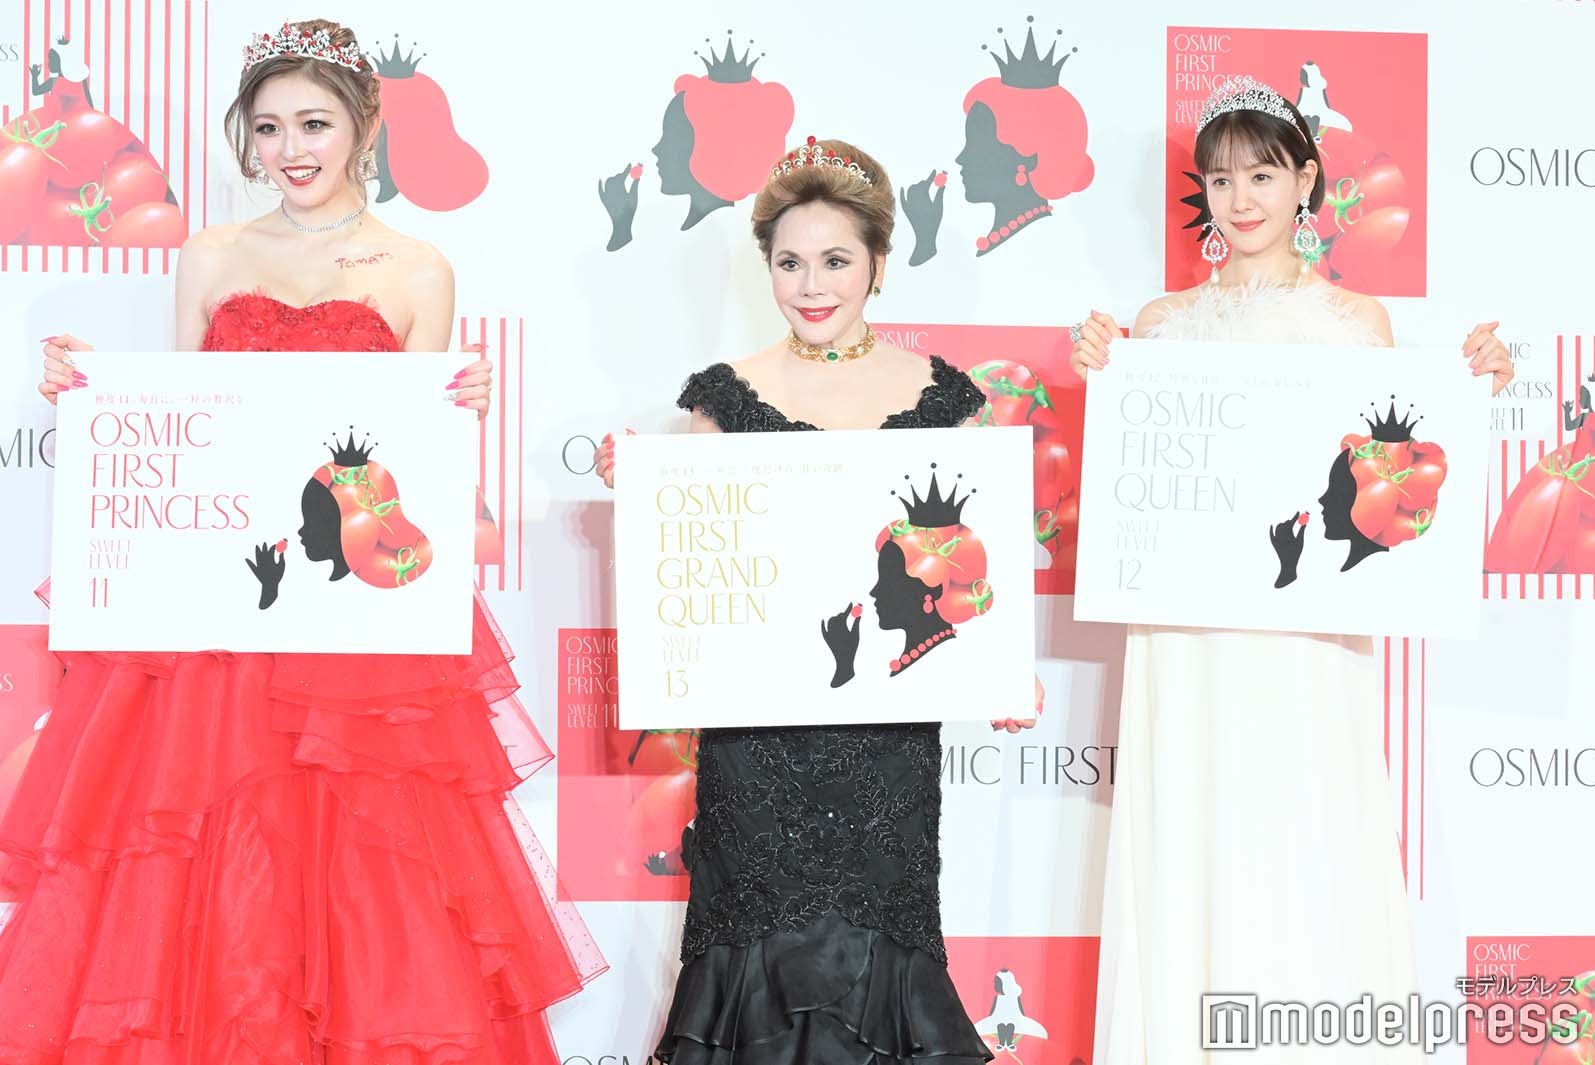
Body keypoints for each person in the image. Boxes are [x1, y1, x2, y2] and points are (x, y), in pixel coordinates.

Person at [4, 19, 603, 1064]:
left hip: (354, 623)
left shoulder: (418, 270)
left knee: (365, 869)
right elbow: (187, 425)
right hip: (220, 623)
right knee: (207, 857)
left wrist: (455, 417)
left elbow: (412, 476)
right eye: (270, 127)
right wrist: (92, 395)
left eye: (314, 124)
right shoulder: (211, 254)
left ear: (365, 127)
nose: (290, 149)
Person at [1070, 75, 1512, 1063]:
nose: (1241, 199)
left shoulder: (1358, 321)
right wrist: (1107, 379)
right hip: (1187, 639)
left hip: (1307, 635)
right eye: (1221, 178)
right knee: (1191, 824)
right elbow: (1137, 490)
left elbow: (1394, 470)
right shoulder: (1158, 324)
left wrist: (1472, 386)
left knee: (1308, 823)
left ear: (1306, 180)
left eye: (1263, 174)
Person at [595, 136, 1042, 1063]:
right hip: (756, 747)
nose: (811, 285)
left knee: (886, 945)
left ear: (878, 261)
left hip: (887, 745)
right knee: (751, 949)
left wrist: (1006, 668)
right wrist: (642, 492)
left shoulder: (943, 396)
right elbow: (701, 565)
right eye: (789, 262)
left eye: (835, 260)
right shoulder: (727, 396)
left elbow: (975, 561)